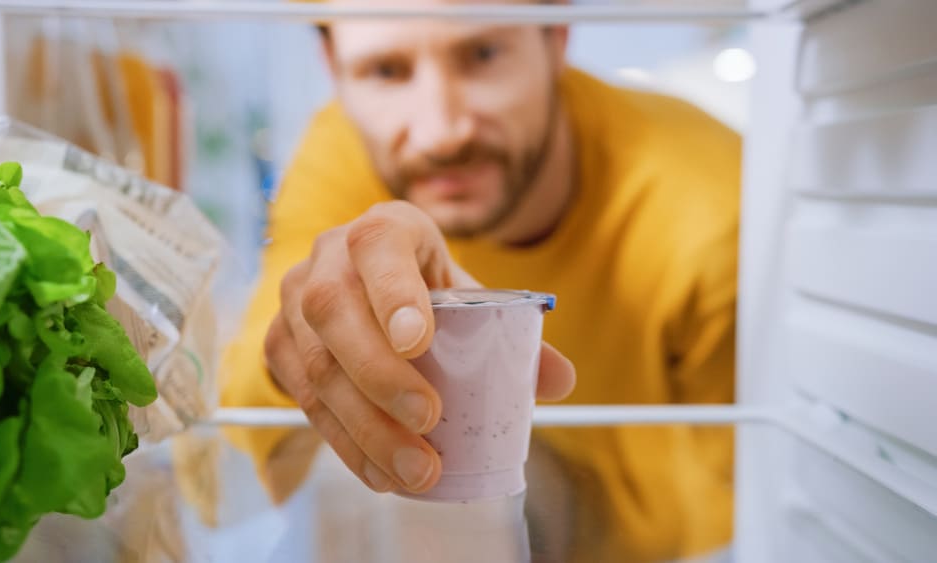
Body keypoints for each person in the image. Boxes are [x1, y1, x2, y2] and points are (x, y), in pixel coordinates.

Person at [220, 1, 740, 561]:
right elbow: (244, 418)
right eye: (386, 71)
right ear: (332, 65)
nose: (441, 133)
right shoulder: (342, 147)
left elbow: (752, 502)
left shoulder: (713, 207)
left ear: (557, 39)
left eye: (483, 54)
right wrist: (303, 350)